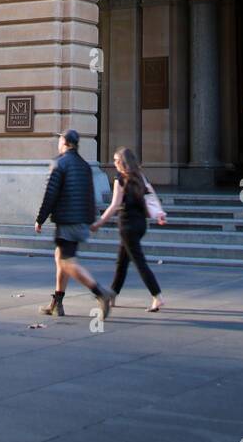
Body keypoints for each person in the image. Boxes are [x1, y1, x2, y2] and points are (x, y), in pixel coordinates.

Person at [35, 129, 113, 319]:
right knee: (60, 256)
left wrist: (40, 218)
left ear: (66, 143)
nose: (58, 143)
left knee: (67, 262)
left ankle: (100, 293)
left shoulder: (59, 163)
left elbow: (50, 194)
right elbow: (89, 195)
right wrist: (90, 220)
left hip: (67, 220)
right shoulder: (85, 166)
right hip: (79, 220)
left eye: (60, 139)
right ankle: (57, 303)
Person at [93, 147, 165, 312]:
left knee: (139, 263)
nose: (114, 164)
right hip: (140, 225)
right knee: (122, 260)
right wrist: (159, 213)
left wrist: (100, 222)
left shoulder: (121, 179)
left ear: (123, 162)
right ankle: (113, 293)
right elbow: (151, 197)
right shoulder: (141, 177)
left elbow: (115, 205)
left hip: (127, 226)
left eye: (116, 160)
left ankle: (157, 296)